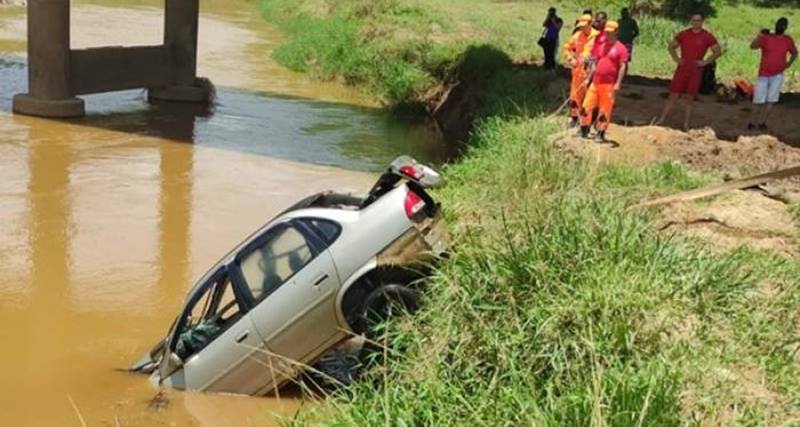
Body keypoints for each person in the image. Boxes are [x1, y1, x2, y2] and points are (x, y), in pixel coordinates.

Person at [658, 14, 722, 130]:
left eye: (698, 20)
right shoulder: (684, 34)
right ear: (691, 21)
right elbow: (671, 46)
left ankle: (686, 124)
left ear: (702, 22)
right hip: (682, 69)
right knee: (673, 95)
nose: (696, 22)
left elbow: (717, 51)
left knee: (690, 98)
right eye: (694, 20)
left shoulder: (707, 36)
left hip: (696, 71)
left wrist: (705, 62)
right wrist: (676, 59)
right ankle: (662, 119)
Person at [579, 21, 629, 142]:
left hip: (609, 84)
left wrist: (618, 83)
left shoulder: (621, 48)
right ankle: (584, 129)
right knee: (586, 105)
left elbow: (623, 66)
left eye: (611, 32)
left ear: (616, 32)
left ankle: (600, 133)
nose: (608, 34)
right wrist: (588, 79)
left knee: (605, 109)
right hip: (595, 82)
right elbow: (594, 63)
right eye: (607, 32)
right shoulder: (601, 46)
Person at [748, 17, 797, 131]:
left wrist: (788, 64)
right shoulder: (766, 37)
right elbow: (752, 46)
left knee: (771, 100)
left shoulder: (787, 40)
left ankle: (762, 122)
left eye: (782, 25)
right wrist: (759, 35)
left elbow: (794, 53)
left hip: (777, 74)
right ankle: (752, 122)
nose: (780, 27)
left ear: (785, 27)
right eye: (779, 24)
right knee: (758, 100)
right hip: (764, 74)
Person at [564, 14, 598, 127]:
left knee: (590, 97)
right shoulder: (577, 36)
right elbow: (567, 48)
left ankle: (588, 122)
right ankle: (574, 119)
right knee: (575, 96)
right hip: (577, 72)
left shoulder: (597, 37)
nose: (582, 28)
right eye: (581, 26)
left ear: (590, 23)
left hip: (591, 72)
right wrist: (570, 58)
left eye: (584, 25)